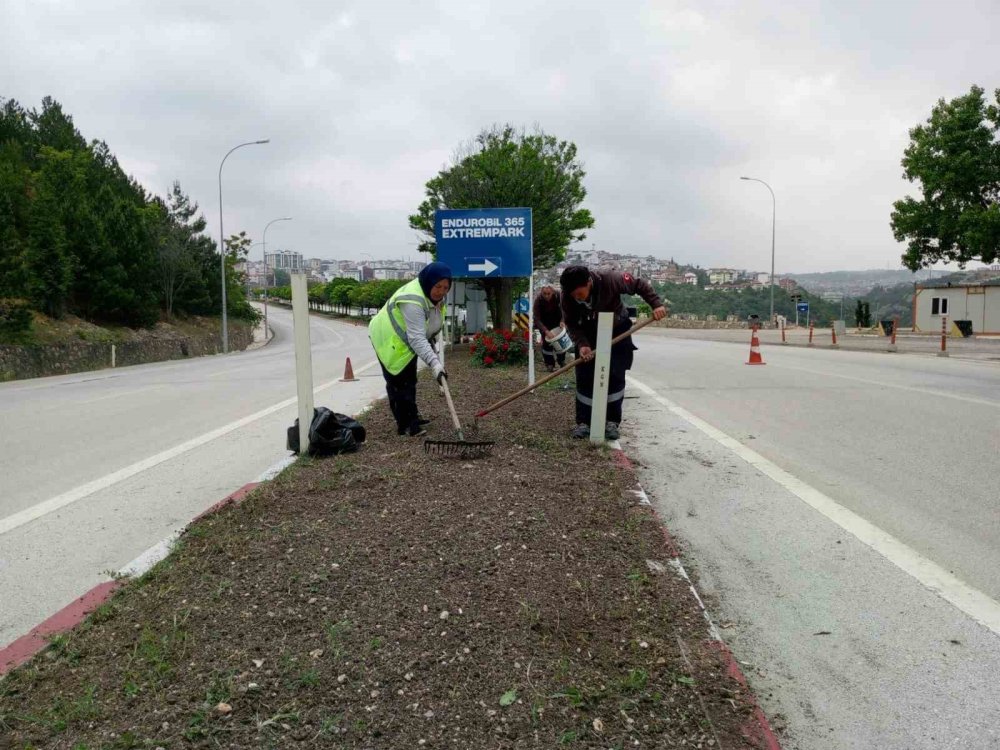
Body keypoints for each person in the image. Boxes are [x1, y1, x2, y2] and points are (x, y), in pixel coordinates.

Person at [559, 265, 667, 440]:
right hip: (589, 332)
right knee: (585, 376)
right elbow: (571, 323)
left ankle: (611, 422)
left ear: (588, 282)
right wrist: (582, 344)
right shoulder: (567, 296)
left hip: (617, 329)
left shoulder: (610, 279)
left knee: (615, 374)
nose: (576, 298)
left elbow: (639, 284)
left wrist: (656, 304)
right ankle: (584, 423)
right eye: (573, 295)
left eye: (579, 294)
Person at [369, 262, 452, 437]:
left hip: (406, 340)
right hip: (388, 338)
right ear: (429, 282)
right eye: (438, 286)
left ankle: (412, 416)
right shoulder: (413, 300)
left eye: (446, 287)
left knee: (410, 380)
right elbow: (416, 338)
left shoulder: (433, 298)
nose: (441, 291)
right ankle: (405, 425)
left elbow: (426, 328)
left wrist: (431, 347)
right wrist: (435, 364)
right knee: (398, 382)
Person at [533, 284, 566, 372]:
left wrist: (563, 320)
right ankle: (549, 364)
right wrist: (545, 331)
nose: (547, 296)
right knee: (547, 344)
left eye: (549, 294)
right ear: (541, 292)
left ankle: (561, 361)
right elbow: (537, 318)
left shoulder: (559, 296)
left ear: (552, 292)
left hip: (557, 321)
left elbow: (565, 309)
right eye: (544, 294)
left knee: (560, 343)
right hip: (544, 323)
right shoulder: (538, 300)